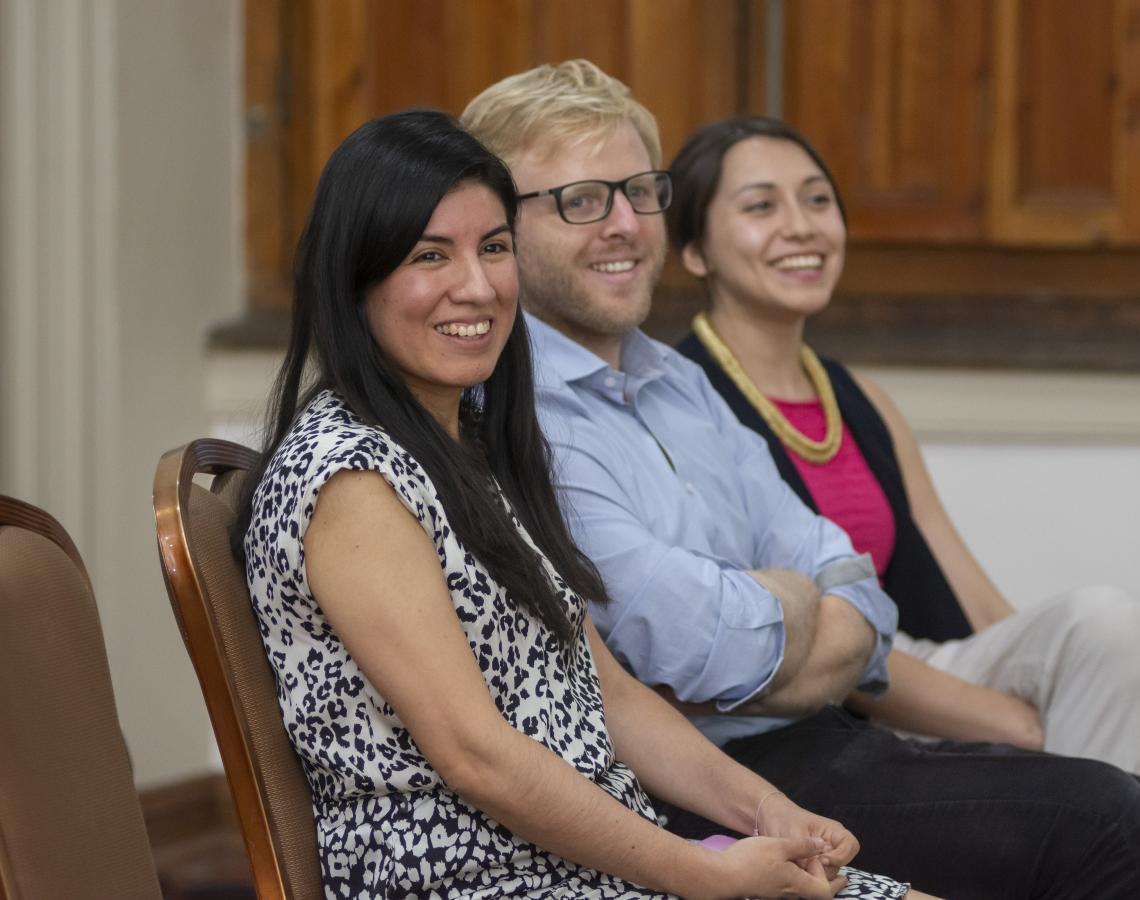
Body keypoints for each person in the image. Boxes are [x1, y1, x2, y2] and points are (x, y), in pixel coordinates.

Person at [460, 59, 1140, 898]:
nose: (622, 223)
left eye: (639, 191)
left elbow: (858, 593)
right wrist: (804, 607)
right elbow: (682, 644)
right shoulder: (520, 411)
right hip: (699, 781)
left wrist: (801, 619)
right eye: (581, 200)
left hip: (820, 729)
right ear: (501, 230)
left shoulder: (677, 383)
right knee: (1104, 816)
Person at [232, 109, 919, 899]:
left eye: (493, 247)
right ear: (355, 281)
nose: (478, 286)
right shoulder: (353, 478)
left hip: (576, 865)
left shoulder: (471, 446)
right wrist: (706, 874)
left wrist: (770, 812)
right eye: (431, 255)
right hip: (472, 880)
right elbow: (475, 754)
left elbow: (612, 694)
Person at [664, 114, 1140, 792]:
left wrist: (1119, 684)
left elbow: (976, 599)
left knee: (1112, 630)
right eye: (760, 206)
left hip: (927, 661)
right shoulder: (682, 403)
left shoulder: (857, 396)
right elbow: (805, 653)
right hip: (824, 709)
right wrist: (1020, 720)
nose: (802, 226)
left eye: (816, 199)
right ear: (695, 250)